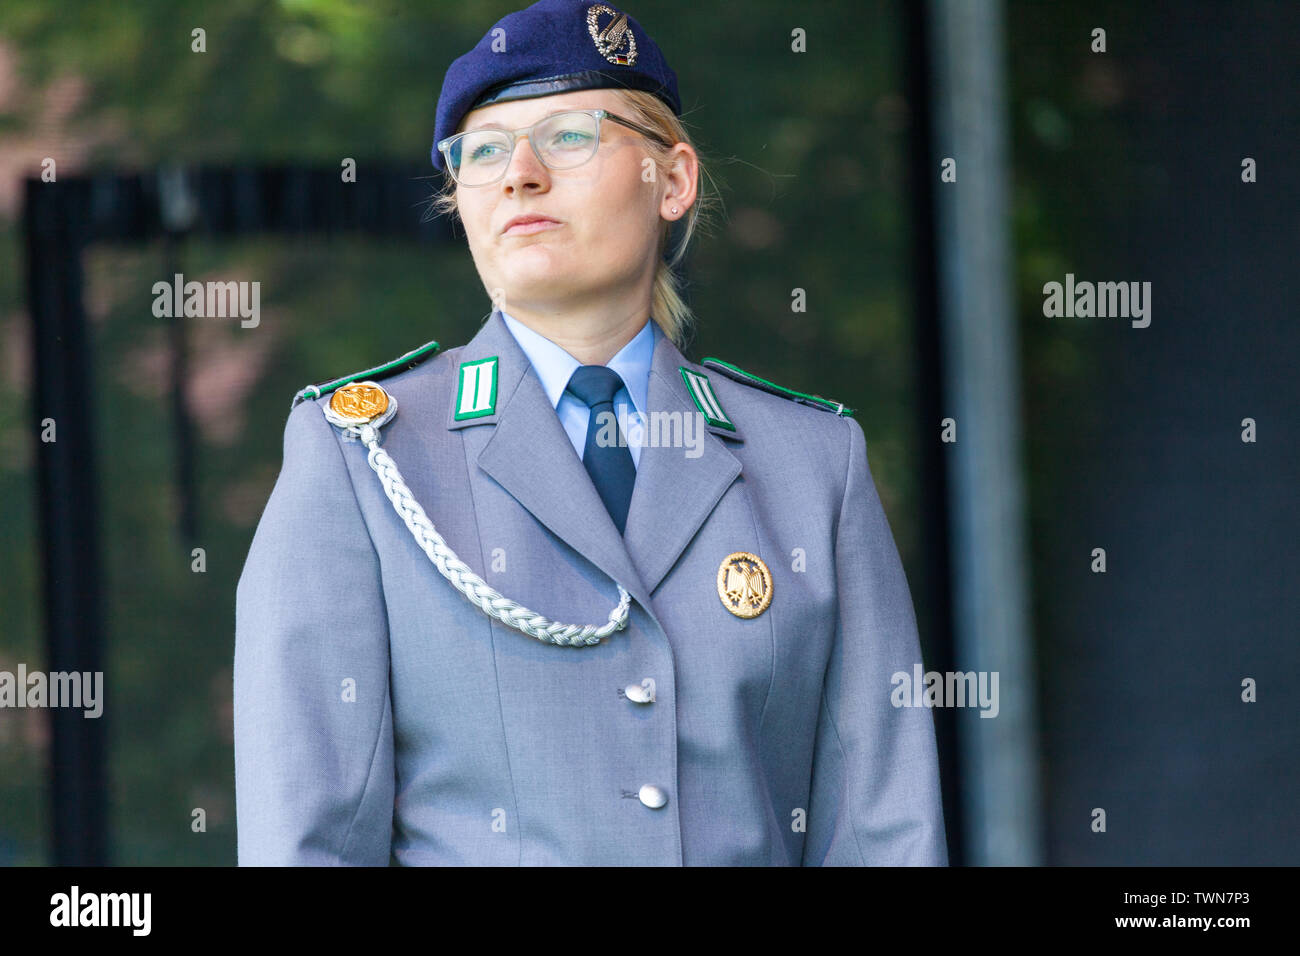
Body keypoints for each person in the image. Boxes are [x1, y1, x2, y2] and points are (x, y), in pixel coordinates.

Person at [234, 0, 947, 866]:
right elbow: (306, 844)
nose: (519, 174)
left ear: (672, 180)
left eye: (570, 135)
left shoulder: (811, 465)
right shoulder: (361, 456)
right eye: (483, 151)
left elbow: (884, 836)